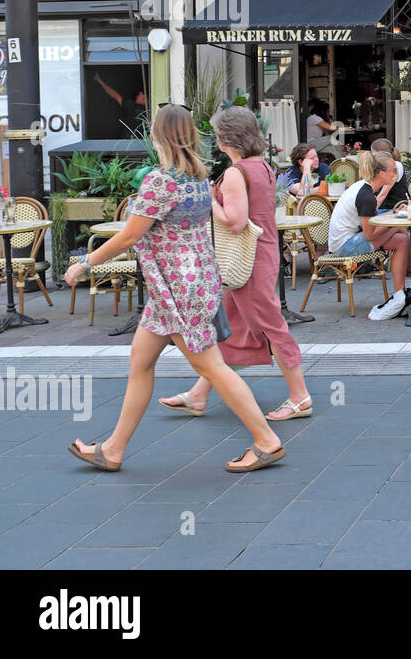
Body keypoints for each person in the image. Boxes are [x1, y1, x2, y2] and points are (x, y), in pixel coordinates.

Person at [64, 105, 285, 473]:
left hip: (177, 292)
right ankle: (113, 449)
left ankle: (266, 441)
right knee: (141, 362)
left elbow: (131, 235)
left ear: (158, 137)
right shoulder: (196, 178)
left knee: (212, 367)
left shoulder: (161, 181)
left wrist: (86, 263)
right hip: (186, 286)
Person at [158, 107, 313, 422]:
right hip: (261, 255)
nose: (214, 139)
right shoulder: (263, 167)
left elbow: (235, 222)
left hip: (246, 262)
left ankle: (300, 396)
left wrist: (210, 200)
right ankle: (198, 395)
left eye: (217, 134)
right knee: (234, 326)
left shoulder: (235, 173)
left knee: (272, 326)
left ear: (227, 138)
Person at [326, 150, 411, 320]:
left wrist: (393, 216)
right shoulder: (366, 196)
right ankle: (399, 294)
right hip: (344, 247)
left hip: (348, 239)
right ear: (380, 173)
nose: (396, 174)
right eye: (393, 170)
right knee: (400, 233)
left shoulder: (364, 188)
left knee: (402, 239)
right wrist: (395, 219)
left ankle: (399, 293)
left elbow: (370, 227)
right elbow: (370, 235)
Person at [371, 138, 409, 209]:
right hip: (382, 206)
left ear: (381, 154)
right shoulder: (380, 166)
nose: (372, 157)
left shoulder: (395, 167)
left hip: (394, 208)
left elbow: (383, 194)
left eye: (373, 154)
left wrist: (370, 213)